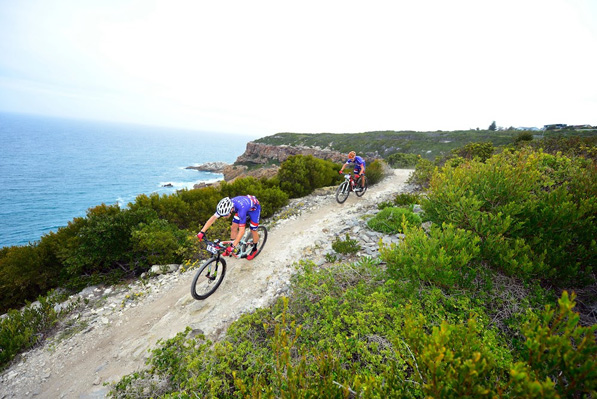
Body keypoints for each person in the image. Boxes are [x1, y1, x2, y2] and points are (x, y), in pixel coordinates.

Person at [197, 195, 262, 260]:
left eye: (225, 215)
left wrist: (233, 246)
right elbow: (213, 218)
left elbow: (242, 231)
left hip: (254, 209)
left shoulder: (241, 211)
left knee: (253, 230)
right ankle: (234, 247)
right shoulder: (226, 205)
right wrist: (202, 231)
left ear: (231, 209)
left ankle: (254, 248)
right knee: (233, 227)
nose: (224, 217)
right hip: (243, 206)